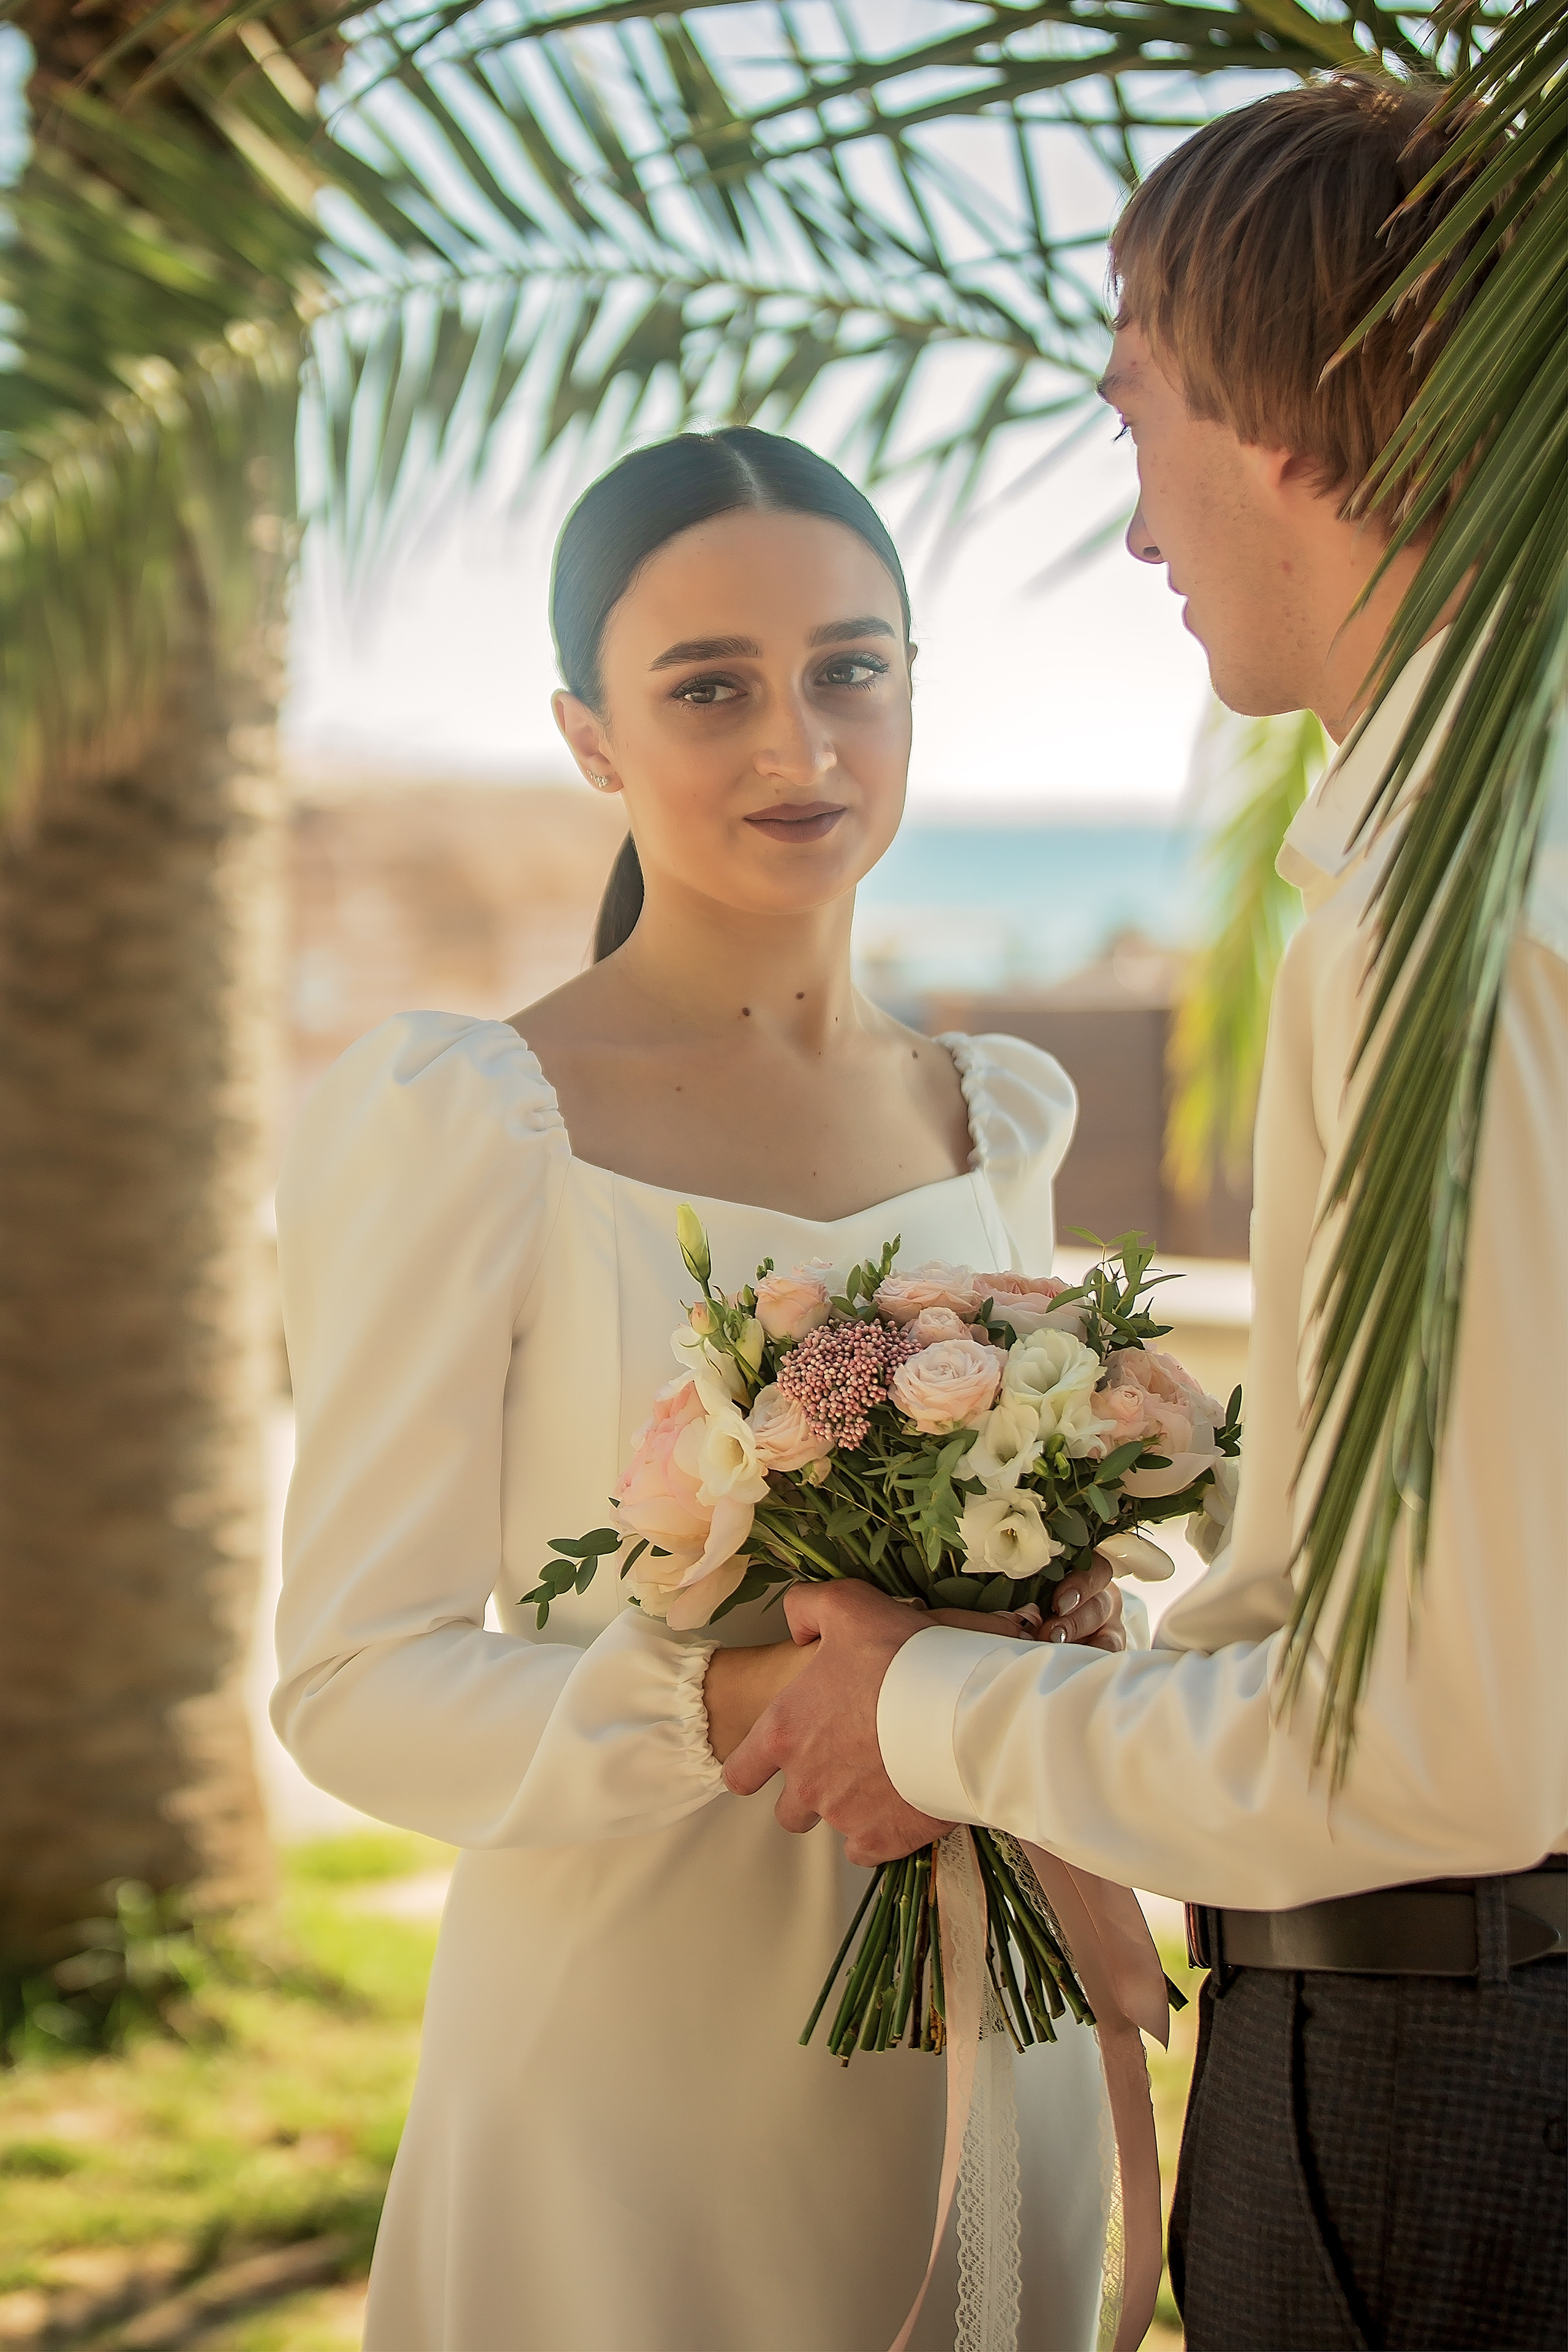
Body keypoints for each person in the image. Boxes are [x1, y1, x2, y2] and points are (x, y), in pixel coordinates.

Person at [725, 78, 1568, 2352]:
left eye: (1140, 415)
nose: (1135, 531)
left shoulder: (1443, 922)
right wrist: (1204, 1520)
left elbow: (1434, 1761)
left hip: (1454, 2102)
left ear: (1295, 402)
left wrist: (933, 1704)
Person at [272, 426, 1131, 2352]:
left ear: (915, 685)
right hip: (633, 2089)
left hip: (998, 2036)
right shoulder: (472, 1123)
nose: (799, 748)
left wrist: (1066, 1616)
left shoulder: (992, 1112)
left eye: (849, 670)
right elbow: (351, 1681)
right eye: (710, 689)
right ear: (590, 737)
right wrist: (750, 1698)